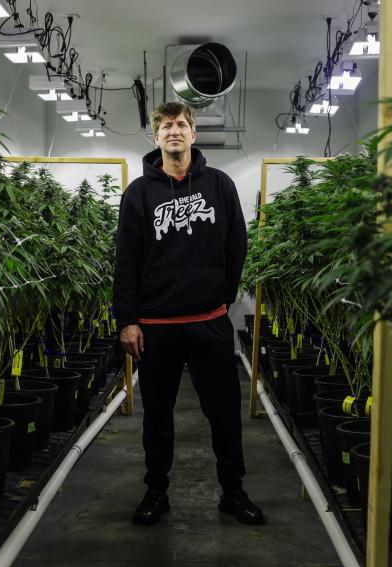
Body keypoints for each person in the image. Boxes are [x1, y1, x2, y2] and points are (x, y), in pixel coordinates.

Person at [113, 101, 265, 526]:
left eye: (181, 124)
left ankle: (233, 493)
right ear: (155, 137)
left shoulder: (219, 186)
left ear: (194, 134)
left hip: (208, 322)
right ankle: (156, 492)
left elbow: (237, 246)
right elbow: (125, 261)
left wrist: (222, 296)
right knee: (157, 416)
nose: (174, 131)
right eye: (165, 126)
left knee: (223, 414)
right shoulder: (139, 194)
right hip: (157, 327)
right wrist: (127, 320)